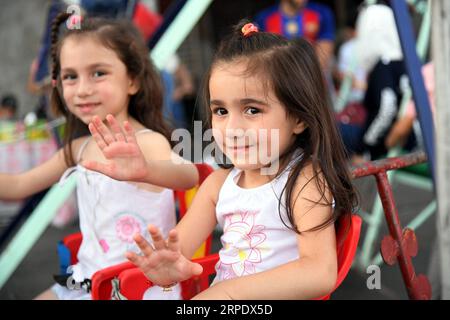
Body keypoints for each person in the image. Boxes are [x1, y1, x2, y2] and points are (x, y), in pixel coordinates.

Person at [122, 20, 358, 299]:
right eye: (221, 111)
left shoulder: (303, 181)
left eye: (252, 110)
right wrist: (165, 270)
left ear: (299, 118)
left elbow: (320, 273)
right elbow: (178, 253)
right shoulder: (218, 186)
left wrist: (229, 293)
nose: (232, 128)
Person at [0, 13, 199, 300]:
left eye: (98, 73)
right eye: (71, 76)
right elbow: (20, 185)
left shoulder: (147, 142)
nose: (82, 89)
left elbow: (189, 176)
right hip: (84, 282)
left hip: (138, 288)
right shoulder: (77, 147)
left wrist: (146, 170)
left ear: (132, 80)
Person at [340, 4, 410, 161]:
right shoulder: (405, 62)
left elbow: (386, 110)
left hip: (388, 140)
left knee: (328, 129)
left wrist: (364, 148)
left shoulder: (385, 65)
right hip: (406, 136)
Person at [254, 0, 335, 71]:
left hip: (311, 79)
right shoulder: (264, 18)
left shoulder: (322, 13)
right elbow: (262, 58)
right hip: (278, 79)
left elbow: (324, 55)